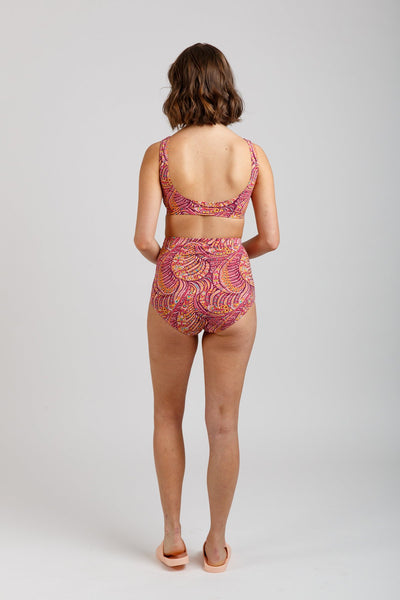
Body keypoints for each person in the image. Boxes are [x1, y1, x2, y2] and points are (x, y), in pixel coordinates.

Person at [134, 42, 280, 572]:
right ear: (225, 86)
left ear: (179, 87)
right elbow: (271, 239)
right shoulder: (253, 154)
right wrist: (225, 258)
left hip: (175, 285)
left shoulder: (160, 153)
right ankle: (216, 544)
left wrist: (180, 264)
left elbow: (143, 240)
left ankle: (173, 538)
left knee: (166, 415)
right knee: (223, 424)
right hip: (232, 288)